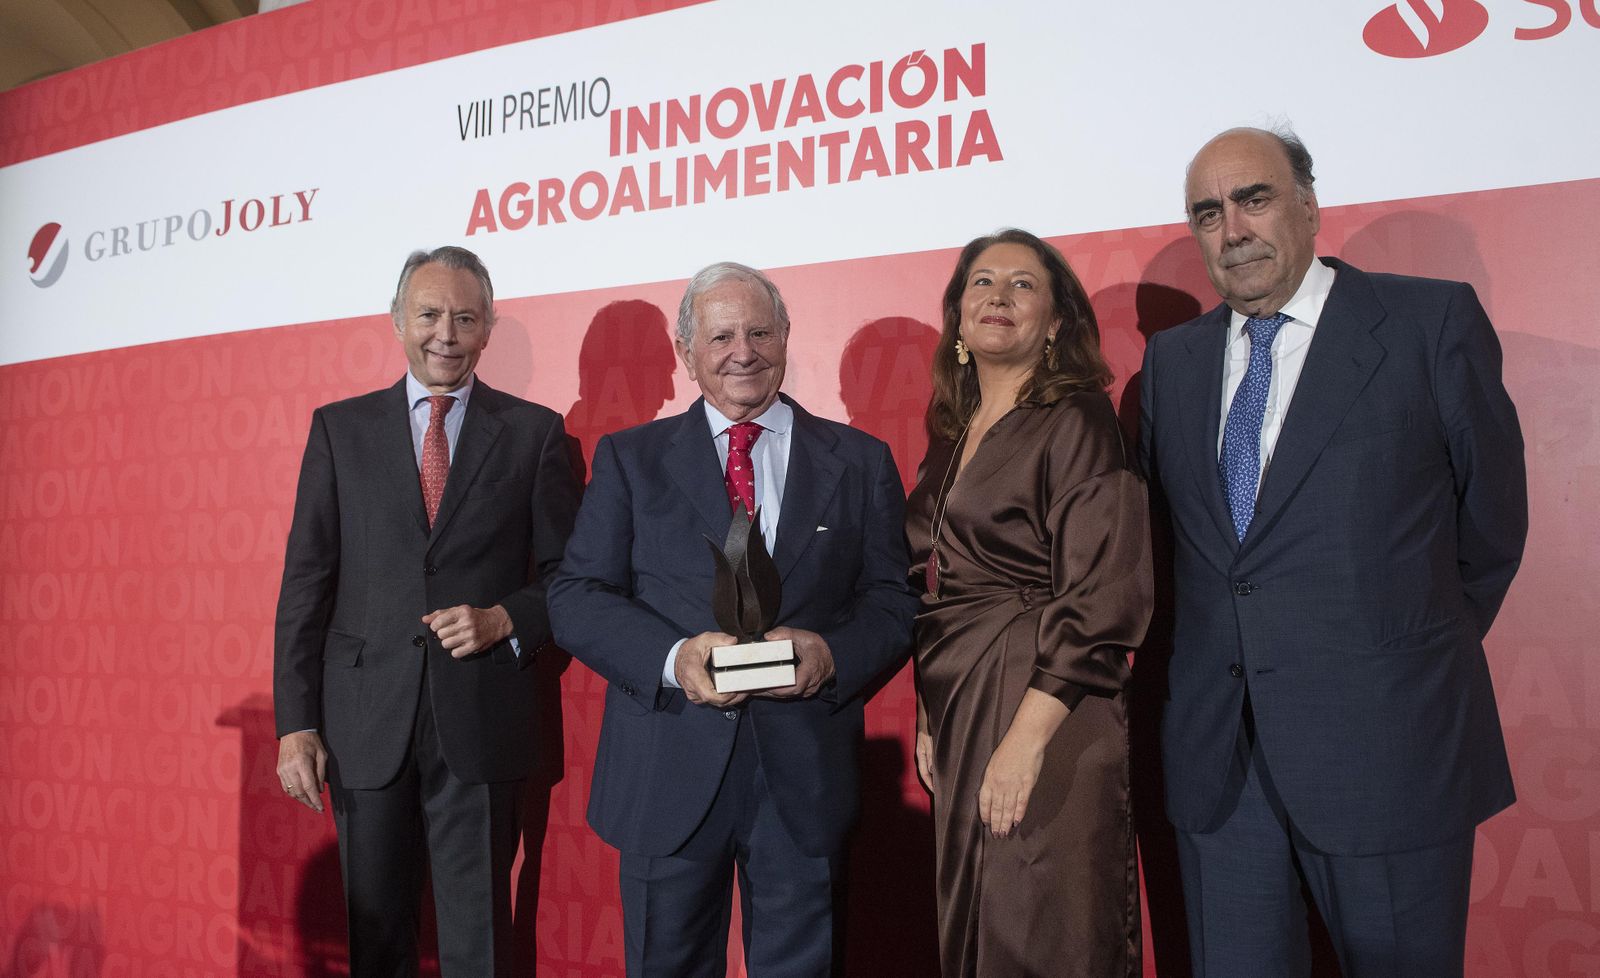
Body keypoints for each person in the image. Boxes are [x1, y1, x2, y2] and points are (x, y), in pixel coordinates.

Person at [1139, 127, 1528, 977]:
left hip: (1389, 751)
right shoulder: (1171, 362)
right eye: (1208, 213)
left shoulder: (1429, 322)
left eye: (1254, 199)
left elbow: (1493, 528)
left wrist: (1399, 657)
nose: (1233, 229)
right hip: (1221, 766)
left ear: (1310, 206)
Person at [548, 261, 918, 977]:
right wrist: (674, 659)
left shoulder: (861, 461)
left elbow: (893, 601)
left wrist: (830, 655)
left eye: (759, 332)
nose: (742, 352)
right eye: (720, 337)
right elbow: (576, 597)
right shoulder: (629, 459)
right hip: (667, 769)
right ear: (687, 353)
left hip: (805, 774)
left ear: (786, 338)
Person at [273, 245, 580, 976]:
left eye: (465, 318)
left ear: (488, 328)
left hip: (480, 721)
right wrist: (296, 723)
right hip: (363, 724)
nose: (446, 334)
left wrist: (505, 619)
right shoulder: (339, 430)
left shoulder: (535, 434)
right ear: (397, 320)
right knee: (377, 939)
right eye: (429, 315)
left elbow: (571, 581)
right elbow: (306, 584)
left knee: (479, 944)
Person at [906, 229, 1153, 977]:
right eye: (982, 282)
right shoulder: (951, 431)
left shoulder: (1078, 419)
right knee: (982, 926)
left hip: (1048, 702)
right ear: (958, 316)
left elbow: (1105, 591)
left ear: (1056, 322)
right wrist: (928, 710)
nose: (998, 297)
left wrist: (1026, 740)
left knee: (1042, 927)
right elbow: (938, 581)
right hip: (962, 704)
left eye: (1022, 284)